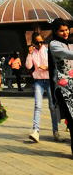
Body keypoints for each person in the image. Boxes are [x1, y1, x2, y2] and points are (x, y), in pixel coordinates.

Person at [26, 32, 60, 142]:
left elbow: (54, 65)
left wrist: (45, 67)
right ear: (33, 43)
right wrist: (29, 54)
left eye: (41, 42)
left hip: (49, 80)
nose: (40, 44)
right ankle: (35, 131)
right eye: (37, 42)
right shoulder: (33, 52)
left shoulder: (47, 50)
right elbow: (29, 66)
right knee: (38, 105)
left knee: (52, 106)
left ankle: (55, 131)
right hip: (38, 81)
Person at [49, 18, 73, 156]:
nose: (65, 33)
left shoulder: (71, 44)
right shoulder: (54, 44)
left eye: (66, 29)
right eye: (61, 31)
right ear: (55, 31)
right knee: (72, 120)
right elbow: (67, 55)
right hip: (63, 88)